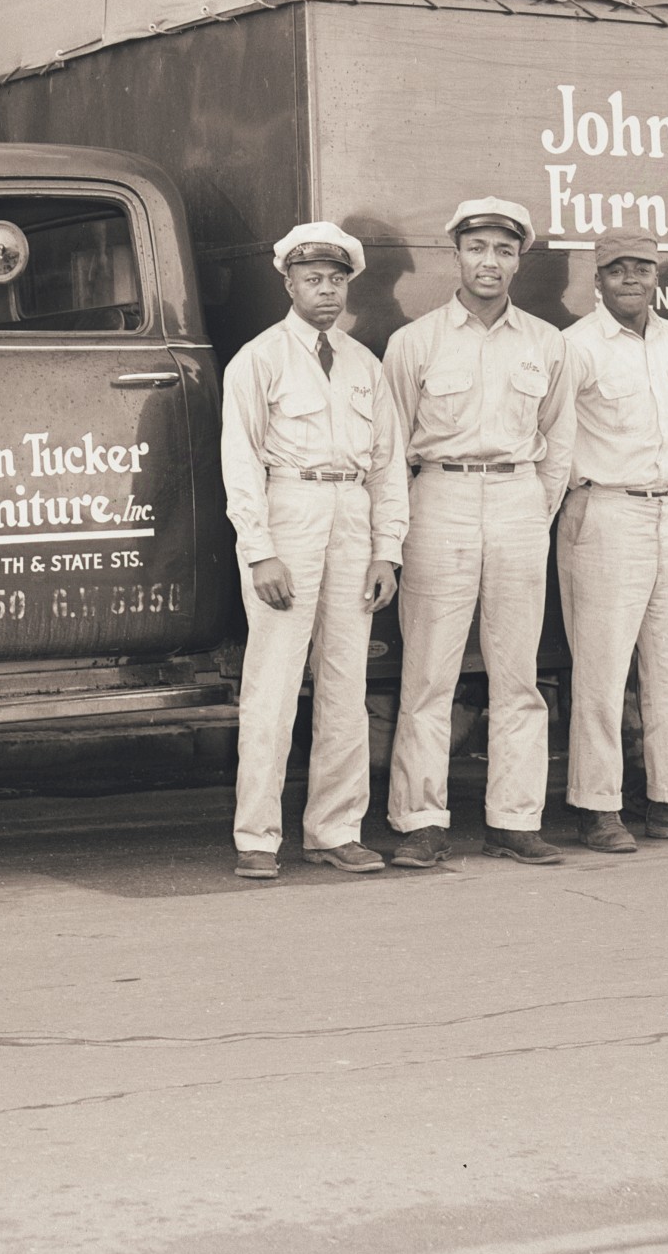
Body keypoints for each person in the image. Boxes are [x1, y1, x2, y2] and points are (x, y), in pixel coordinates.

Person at [379, 197, 575, 866]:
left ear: (518, 259)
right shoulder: (415, 343)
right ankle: (420, 819)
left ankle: (514, 819)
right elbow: (391, 445)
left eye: (504, 250)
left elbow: (560, 444)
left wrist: (530, 510)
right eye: (477, 249)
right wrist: (403, 522)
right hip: (441, 495)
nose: (490, 263)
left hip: (519, 498)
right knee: (429, 670)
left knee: (518, 673)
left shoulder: (546, 344)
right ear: (456, 255)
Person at [219, 222, 409, 879]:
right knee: (271, 684)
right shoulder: (259, 359)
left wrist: (388, 551)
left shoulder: (364, 365)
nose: (325, 291)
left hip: (352, 515)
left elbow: (387, 465)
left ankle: (335, 829)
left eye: (334, 280)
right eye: (311, 280)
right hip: (289, 511)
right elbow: (239, 463)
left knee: (345, 683)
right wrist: (260, 551)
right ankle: (257, 837)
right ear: (289, 283)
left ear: (347, 284)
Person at [555, 228, 668, 854]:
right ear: (597, 280)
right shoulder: (574, 347)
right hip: (603, 510)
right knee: (602, 671)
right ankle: (598, 807)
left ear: (656, 278)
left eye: (643, 269)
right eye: (618, 270)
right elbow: (553, 444)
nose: (632, 280)